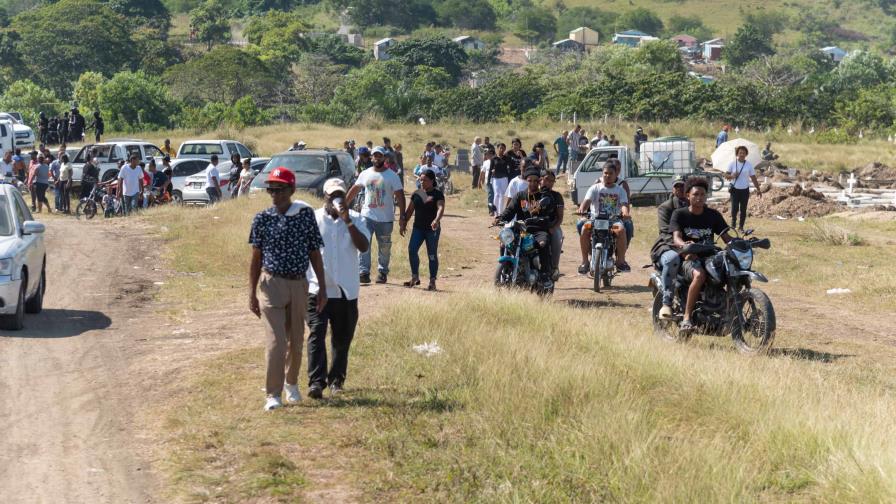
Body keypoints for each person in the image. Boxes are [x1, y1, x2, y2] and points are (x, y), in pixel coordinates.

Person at [248, 167, 327, 411]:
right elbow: (256, 258)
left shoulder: (304, 216)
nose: (275, 194)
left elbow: (314, 253)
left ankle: (291, 383)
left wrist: (322, 288)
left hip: (299, 284)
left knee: (296, 339)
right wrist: (251, 293)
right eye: (271, 189)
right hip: (271, 284)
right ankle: (273, 394)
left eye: (280, 189)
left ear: (292, 190)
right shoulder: (262, 219)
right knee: (277, 342)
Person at [306, 178, 370, 399]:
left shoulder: (357, 219)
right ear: (324, 197)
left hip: (346, 290)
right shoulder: (313, 219)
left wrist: (348, 221)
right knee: (316, 334)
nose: (336, 200)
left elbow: (363, 246)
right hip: (318, 289)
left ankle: (336, 380)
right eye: (332, 196)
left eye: (340, 195)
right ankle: (316, 382)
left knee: (342, 339)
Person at [670, 177, 734, 332]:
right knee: (699, 275)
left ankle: (727, 313)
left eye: (702, 194)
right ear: (687, 195)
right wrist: (684, 245)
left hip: (710, 257)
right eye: (695, 194)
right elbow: (676, 237)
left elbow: (727, 238)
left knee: (731, 272)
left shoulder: (713, 215)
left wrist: (741, 243)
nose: (699, 198)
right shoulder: (679, 214)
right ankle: (686, 318)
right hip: (689, 258)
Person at [345, 146, 406, 285]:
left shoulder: (392, 176)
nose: (377, 158)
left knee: (384, 247)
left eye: (380, 156)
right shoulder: (365, 174)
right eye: (375, 155)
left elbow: (400, 196)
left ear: (384, 157)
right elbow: (354, 190)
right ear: (371, 157)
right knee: (364, 244)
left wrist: (402, 217)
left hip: (385, 219)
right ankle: (363, 272)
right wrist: (344, 205)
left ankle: (382, 272)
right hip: (367, 216)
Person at [494, 167, 556, 282]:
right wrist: (500, 218)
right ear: (526, 181)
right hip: (521, 229)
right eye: (530, 180)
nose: (532, 183)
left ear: (539, 181)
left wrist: (543, 216)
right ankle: (507, 268)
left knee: (543, 243)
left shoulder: (544, 196)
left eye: (535, 181)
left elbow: (550, 209)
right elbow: (510, 210)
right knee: (504, 241)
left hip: (538, 230)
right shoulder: (520, 196)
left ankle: (544, 274)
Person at [576, 162, 630, 275]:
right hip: (595, 220)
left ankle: (621, 261)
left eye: (611, 173)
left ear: (616, 175)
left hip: (613, 221)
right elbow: (586, 201)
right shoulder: (595, 188)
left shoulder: (620, 190)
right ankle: (585, 262)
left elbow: (624, 204)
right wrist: (581, 209)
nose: (607, 176)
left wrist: (625, 213)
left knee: (621, 230)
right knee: (585, 229)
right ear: (602, 174)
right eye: (605, 173)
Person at [650, 177, 688, 318]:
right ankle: (667, 303)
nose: (680, 189)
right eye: (677, 187)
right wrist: (682, 248)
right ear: (673, 189)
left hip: (693, 245)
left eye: (683, 186)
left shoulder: (697, 204)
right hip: (668, 245)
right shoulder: (666, 207)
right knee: (672, 259)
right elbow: (666, 232)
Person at [401, 169, 445, 291]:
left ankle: (432, 281)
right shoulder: (417, 193)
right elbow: (410, 211)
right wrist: (404, 223)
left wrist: (436, 220)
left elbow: (440, 208)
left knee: (432, 254)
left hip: (432, 229)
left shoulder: (437, 194)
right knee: (412, 250)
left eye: (425, 180)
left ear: (432, 181)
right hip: (418, 229)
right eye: (420, 180)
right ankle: (415, 277)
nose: (422, 182)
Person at [726, 145, 763, 231]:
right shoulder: (732, 163)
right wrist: (732, 176)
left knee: (743, 209)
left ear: (746, 154)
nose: (742, 154)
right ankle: (733, 224)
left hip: (745, 190)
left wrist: (758, 189)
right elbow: (726, 175)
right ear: (737, 154)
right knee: (734, 208)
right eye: (740, 153)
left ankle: (741, 227)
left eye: (743, 153)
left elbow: (753, 178)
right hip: (735, 189)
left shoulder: (749, 165)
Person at [541, 171, 564, 280]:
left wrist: (554, 227)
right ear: (540, 179)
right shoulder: (533, 193)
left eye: (551, 181)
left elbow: (560, 217)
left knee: (557, 238)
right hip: (534, 226)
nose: (549, 183)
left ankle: (554, 267)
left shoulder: (557, 196)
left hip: (552, 226)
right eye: (546, 179)